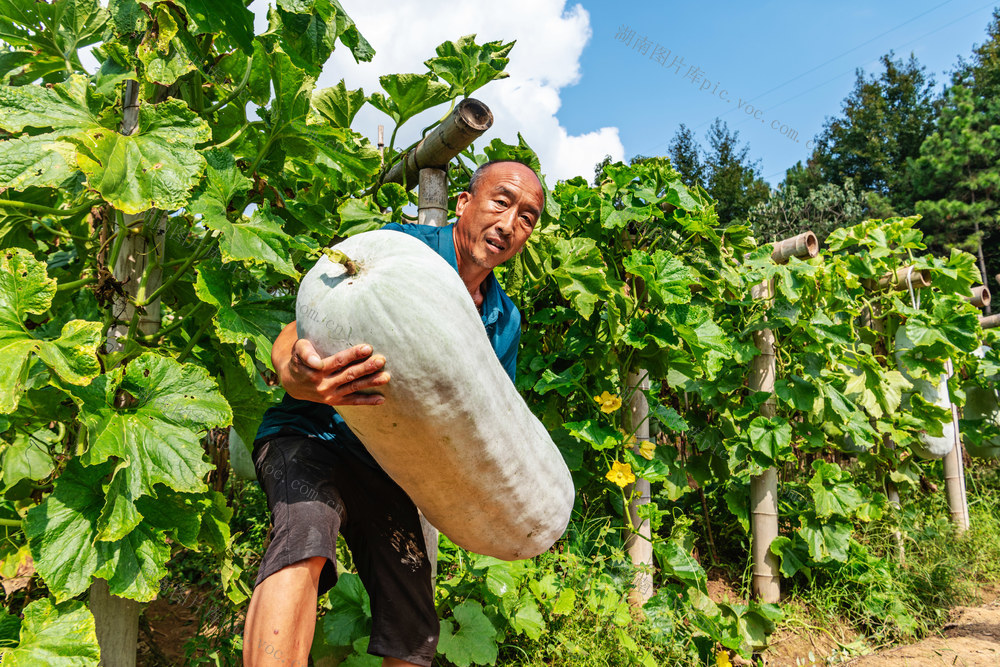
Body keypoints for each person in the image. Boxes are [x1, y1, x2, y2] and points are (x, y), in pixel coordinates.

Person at [242, 160, 545, 667]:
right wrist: (300, 374)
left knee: (412, 619)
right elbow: (299, 331)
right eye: (501, 200)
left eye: (528, 217)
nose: (511, 222)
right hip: (311, 435)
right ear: (465, 203)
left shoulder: (504, 319)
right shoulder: (396, 250)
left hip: (388, 466)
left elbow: (492, 423)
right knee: (306, 538)